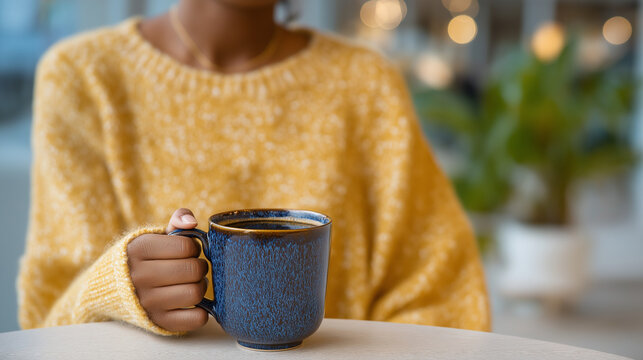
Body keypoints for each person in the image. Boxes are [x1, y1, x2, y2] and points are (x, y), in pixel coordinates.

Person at [17, 0, 490, 335]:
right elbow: (46, 327)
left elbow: (445, 305)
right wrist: (115, 290)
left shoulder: (366, 86)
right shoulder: (84, 78)